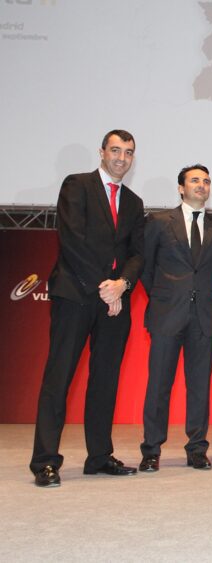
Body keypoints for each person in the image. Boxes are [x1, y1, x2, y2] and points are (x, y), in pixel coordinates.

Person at [30, 129, 145, 487]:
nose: (121, 158)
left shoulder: (134, 203)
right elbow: (72, 241)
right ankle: (45, 461)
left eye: (128, 152)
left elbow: (137, 254)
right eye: (115, 150)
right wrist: (105, 288)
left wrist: (122, 285)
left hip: (114, 301)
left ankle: (99, 456)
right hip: (77, 295)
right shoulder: (76, 185)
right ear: (102, 152)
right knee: (59, 378)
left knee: (105, 381)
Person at [138, 164, 212, 472]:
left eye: (206, 181)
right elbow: (146, 268)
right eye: (194, 181)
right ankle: (151, 449)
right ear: (181, 188)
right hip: (166, 315)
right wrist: (164, 296)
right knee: (159, 385)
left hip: (203, 317)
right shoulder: (160, 222)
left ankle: (197, 448)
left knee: (199, 386)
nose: (201, 185)